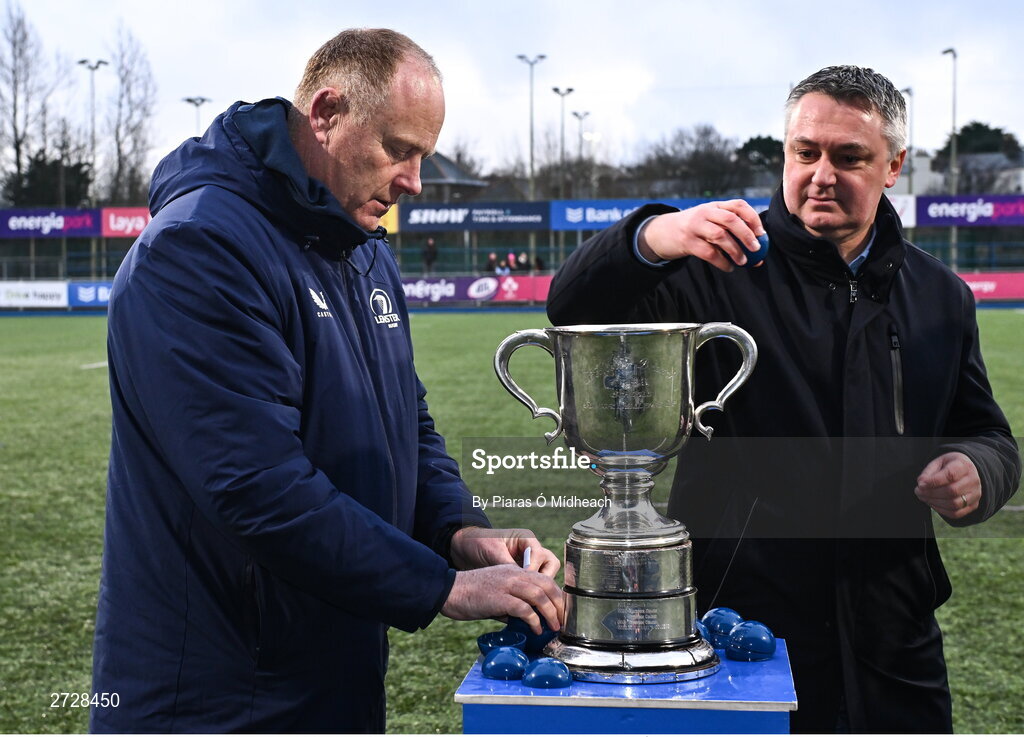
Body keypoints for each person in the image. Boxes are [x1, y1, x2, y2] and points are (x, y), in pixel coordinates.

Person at [91, 28, 563, 733]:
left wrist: (457, 529)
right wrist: (443, 586)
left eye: (423, 157)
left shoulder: (360, 246)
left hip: (327, 675)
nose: (413, 182)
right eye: (397, 149)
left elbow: (408, 422)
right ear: (327, 112)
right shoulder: (199, 247)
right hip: (214, 697)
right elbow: (258, 489)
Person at [546, 65, 1020, 733]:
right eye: (806, 152)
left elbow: (990, 435)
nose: (822, 173)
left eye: (849, 156)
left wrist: (980, 469)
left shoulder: (941, 297)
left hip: (894, 642)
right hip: (746, 636)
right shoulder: (719, 267)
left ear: (894, 165)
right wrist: (653, 237)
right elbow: (572, 306)